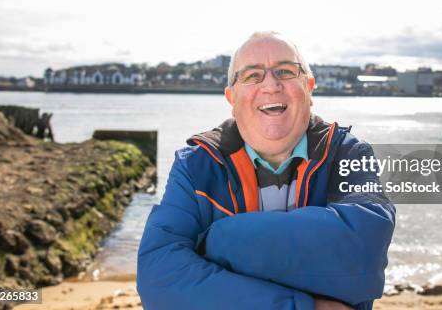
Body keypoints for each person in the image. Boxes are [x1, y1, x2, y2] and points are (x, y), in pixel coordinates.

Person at [137, 32, 395, 310]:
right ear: (231, 97)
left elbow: (363, 251)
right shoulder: (196, 165)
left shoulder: (350, 152)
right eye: (251, 76)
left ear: (309, 88)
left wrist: (219, 245)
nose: (271, 85)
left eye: (285, 71)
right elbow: (159, 279)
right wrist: (303, 306)